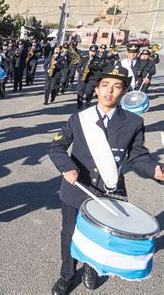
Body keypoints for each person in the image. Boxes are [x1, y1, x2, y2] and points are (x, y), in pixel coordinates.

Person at [48, 65, 164, 295]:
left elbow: (138, 156)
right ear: (98, 89)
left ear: (123, 92)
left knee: (102, 237)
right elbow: (57, 147)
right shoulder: (80, 119)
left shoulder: (133, 122)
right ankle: (67, 275)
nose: (109, 91)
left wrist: (156, 170)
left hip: (109, 191)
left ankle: (93, 269)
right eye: (105, 86)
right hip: (77, 188)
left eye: (116, 87)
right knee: (70, 233)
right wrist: (67, 167)